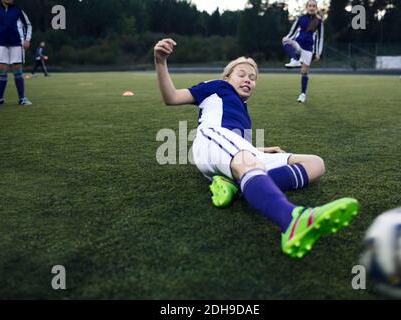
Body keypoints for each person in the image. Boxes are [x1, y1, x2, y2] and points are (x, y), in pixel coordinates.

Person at [154, 38, 359, 258]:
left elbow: (236, 144)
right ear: (227, 77)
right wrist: (160, 61)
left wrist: (259, 150)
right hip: (211, 139)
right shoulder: (216, 86)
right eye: (241, 74)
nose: (248, 80)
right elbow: (172, 98)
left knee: (315, 164)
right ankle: (291, 219)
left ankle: (237, 187)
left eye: (252, 78)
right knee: (248, 162)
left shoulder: (243, 109)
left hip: (238, 150)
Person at [0, 0, 32, 106]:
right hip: (1, 44)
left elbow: (28, 25)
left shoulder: (18, 10)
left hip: (16, 43)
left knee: (17, 70)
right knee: (2, 70)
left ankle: (22, 99)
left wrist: (27, 39)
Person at [282, 0, 324, 103]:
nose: (312, 7)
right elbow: (292, 31)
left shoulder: (319, 22)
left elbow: (320, 38)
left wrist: (318, 52)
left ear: (316, 8)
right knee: (285, 40)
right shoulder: (300, 19)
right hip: (298, 44)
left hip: (309, 49)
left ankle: (302, 94)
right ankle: (294, 59)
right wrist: (287, 38)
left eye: (314, 6)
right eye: (310, 5)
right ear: (307, 7)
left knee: (304, 72)